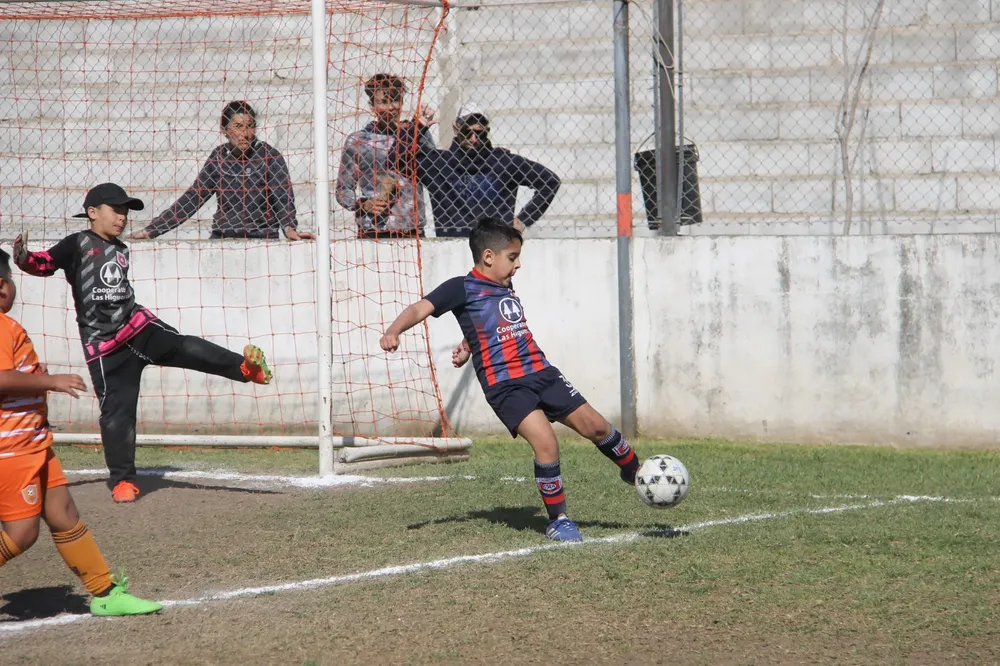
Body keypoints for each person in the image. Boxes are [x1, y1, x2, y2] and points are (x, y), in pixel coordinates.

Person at [13, 183, 274, 503]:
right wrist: (24, 257)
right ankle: (123, 481)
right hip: (105, 347)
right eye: (116, 210)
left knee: (187, 346)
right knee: (117, 412)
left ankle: (245, 369)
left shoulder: (121, 249)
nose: (122, 217)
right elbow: (44, 264)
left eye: (125, 211)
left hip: (139, 328)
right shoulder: (77, 243)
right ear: (92, 213)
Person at [380, 218, 638, 542]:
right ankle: (558, 519)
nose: (518, 264)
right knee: (546, 443)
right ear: (489, 257)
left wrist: (468, 344)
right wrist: (393, 331)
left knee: (597, 427)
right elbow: (421, 307)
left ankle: (636, 472)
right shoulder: (460, 287)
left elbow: (491, 325)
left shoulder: (503, 283)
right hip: (505, 385)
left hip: (541, 371)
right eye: (513, 257)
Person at [0, 249, 161, 616]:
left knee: (64, 512)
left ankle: (104, 592)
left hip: (33, 442)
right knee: (22, 533)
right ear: (0, 286)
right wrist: (50, 380)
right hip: (11, 449)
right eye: (11, 278)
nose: (13, 286)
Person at [132, 101, 313, 241]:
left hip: (262, 235)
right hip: (223, 236)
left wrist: (289, 228)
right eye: (238, 126)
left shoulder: (269, 156)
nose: (245, 133)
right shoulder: (218, 157)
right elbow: (193, 198)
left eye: (249, 126)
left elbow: (283, 198)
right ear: (225, 131)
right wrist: (152, 230)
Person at [417, 105, 561, 237]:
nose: (473, 139)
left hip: (496, 247)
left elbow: (550, 181)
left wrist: (523, 220)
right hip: (452, 250)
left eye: (479, 134)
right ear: (457, 129)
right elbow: (395, 159)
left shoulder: (504, 162)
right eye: (467, 132)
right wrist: (418, 127)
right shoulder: (438, 164)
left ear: (487, 132)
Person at [335, 73, 436, 239]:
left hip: (410, 230)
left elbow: (435, 175)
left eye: (395, 100)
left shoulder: (418, 134)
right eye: (383, 102)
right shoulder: (358, 141)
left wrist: (419, 128)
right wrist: (363, 204)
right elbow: (343, 189)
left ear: (402, 103)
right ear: (372, 106)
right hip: (372, 229)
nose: (390, 108)